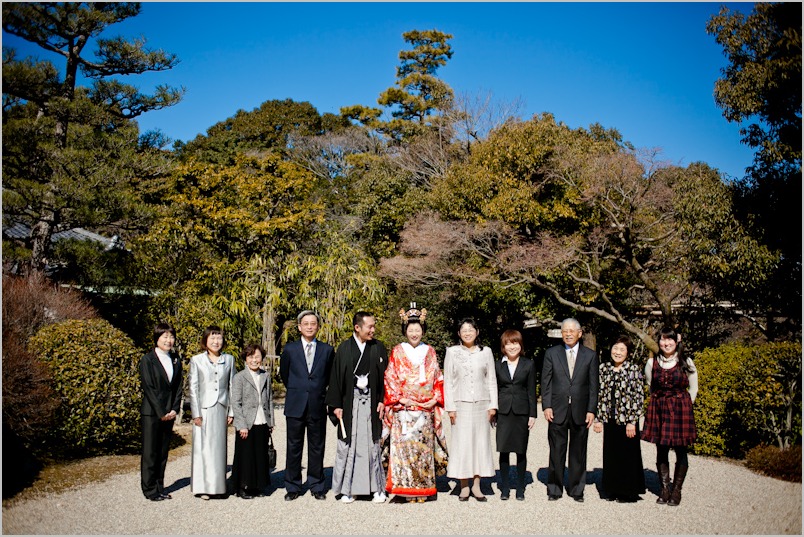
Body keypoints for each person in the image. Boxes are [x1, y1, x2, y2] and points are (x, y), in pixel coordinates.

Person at [383, 304, 444, 502]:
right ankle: (404, 489)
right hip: (404, 407)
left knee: (423, 450)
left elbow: (438, 377)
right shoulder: (397, 351)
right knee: (403, 449)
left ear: (423, 331)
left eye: (418, 330)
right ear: (405, 331)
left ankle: (423, 489)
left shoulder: (431, 351)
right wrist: (400, 398)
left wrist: (435, 399)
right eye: (411, 330)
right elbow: (390, 376)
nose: (415, 333)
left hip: (425, 408)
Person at [326, 311, 388, 503]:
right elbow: (335, 379)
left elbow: (386, 377)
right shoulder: (344, 348)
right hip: (350, 403)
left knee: (372, 444)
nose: (373, 330)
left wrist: (382, 399)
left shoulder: (378, 347)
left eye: (374, 326)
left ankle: (377, 488)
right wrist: (335, 405)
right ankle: (348, 488)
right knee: (349, 444)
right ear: (357, 327)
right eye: (370, 326)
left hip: (371, 402)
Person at [541, 317, 599, 502]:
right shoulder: (552, 353)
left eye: (571, 331)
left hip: (581, 410)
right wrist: (547, 405)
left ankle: (576, 489)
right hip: (557, 409)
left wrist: (591, 410)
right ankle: (555, 488)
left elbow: (593, 386)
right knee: (556, 451)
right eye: (565, 331)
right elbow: (546, 382)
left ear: (579, 333)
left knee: (578, 452)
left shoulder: (590, 355)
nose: (568, 334)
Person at [279, 310, 334, 501]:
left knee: (317, 446)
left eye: (313, 323)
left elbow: (329, 376)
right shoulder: (290, 349)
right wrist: (298, 389)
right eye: (306, 323)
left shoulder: (327, 350)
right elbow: (284, 374)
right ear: (300, 327)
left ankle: (317, 485)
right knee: (294, 446)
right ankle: (293, 486)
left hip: (317, 404)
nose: (310, 326)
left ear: (318, 326)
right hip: (295, 403)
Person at [641, 326, 697, 506]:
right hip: (660, 407)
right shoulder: (652, 363)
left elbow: (693, 388)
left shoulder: (686, 361)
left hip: (681, 409)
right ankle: (664, 489)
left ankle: (677, 490)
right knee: (661, 449)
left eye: (669, 339)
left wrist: (686, 406)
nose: (666, 343)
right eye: (663, 340)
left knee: (681, 450)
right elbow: (651, 386)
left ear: (676, 341)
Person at [443, 317, 497, 502]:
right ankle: (464, 485)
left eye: (470, 329)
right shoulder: (452, 352)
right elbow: (448, 381)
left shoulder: (486, 352)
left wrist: (493, 405)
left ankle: (477, 484)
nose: (467, 332)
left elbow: (491, 379)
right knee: (463, 444)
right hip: (460, 404)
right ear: (459, 333)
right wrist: (450, 407)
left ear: (477, 332)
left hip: (482, 404)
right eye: (463, 330)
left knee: (480, 444)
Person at [592, 335, 646, 502]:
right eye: (615, 348)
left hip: (627, 420)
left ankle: (627, 491)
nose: (618, 352)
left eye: (622, 349)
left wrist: (632, 421)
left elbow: (638, 396)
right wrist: (598, 418)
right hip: (610, 419)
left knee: (628, 455)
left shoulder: (633, 370)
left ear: (628, 352)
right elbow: (599, 394)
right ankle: (612, 489)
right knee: (611, 454)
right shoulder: (604, 368)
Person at [189, 325, 235, 499]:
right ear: (205, 341)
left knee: (218, 448)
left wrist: (231, 412)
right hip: (204, 409)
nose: (216, 342)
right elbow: (193, 388)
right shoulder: (197, 360)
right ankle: (203, 487)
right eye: (212, 338)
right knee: (202, 448)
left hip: (221, 407)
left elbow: (232, 386)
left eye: (219, 338)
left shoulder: (229, 360)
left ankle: (218, 486)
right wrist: (196, 413)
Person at [139, 323, 183, 502]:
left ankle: (159, 486)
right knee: (150, 452)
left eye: (171, 337)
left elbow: (178, 386)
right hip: (152, 413)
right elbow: (148, 388)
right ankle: (149, 490)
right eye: (165, 337)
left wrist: (174, 408)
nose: (168, 340)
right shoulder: (147, 360)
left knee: (163, 452)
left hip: (169, 413)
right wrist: (161, 411)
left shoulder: (175, 359)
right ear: (157, 338)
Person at [494, 329, 537, 501]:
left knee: (521, 451)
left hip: (521, 411)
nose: (512, 347)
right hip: (503, 411)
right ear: (503, 346)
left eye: (515, 343)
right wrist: (492, 410)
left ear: (520, 345)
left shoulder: (528, 364)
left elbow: (531, 391)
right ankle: (505, 487)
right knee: (503, 451)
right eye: (508, 343)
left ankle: (520, 487)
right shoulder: (498, 365)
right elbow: (494, 388)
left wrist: (532, 414)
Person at [231, 343, 274, 499]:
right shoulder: (239, 377)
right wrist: (241, 425)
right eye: (251, 357)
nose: (254, 360)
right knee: (246, 456)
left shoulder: (265, 376)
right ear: (245, 358)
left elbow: (269, 399)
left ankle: (258, 485)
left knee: (260, 455)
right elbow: (236, 403)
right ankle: (243, 486)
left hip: (262, 420)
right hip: (247, 423)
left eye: (257, 356)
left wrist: (271, 422)